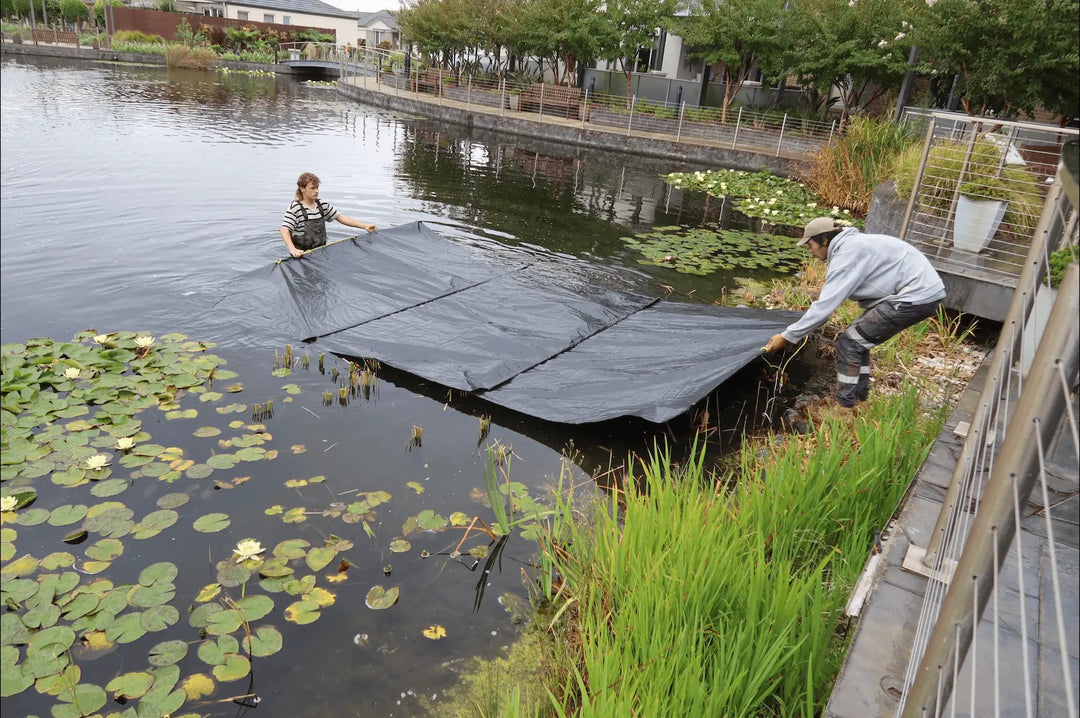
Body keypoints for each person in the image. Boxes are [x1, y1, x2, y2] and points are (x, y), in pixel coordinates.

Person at [763, 217, 946, 409]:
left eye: (810, 245)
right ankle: (859, 400)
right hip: (920, 293)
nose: (810, 251)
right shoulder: (853, 245)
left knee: (848, 343)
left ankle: (845, 407)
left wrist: (787, 336)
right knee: (859, 342)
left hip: (913, 297)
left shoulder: (848, 254)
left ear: (824, 240)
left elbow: (824, 307)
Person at [280, 172, 377, 259]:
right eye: (312, 188)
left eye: (317, 187)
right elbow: (284, 230)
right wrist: (293, 249)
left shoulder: (322, 205)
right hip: (301, 257)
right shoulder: (295, 208)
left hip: (321, 254)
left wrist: (365, 226)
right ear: (302, 189)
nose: (316, 191)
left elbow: (341, 217)